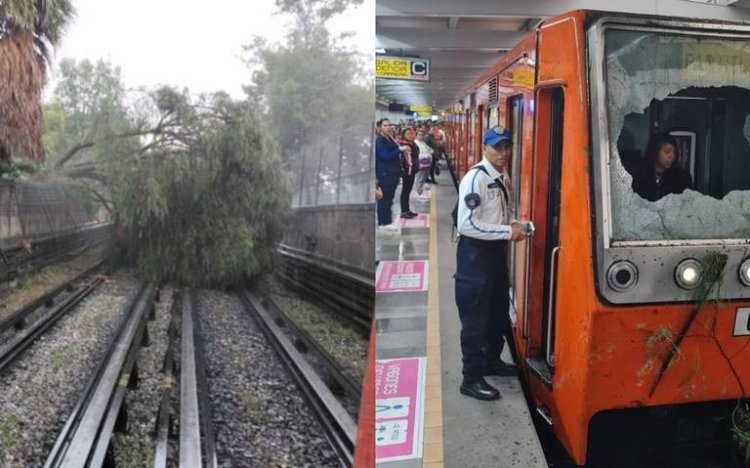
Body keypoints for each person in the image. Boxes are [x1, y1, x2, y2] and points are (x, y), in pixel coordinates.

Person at [454, 126, 529, 401]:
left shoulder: (502, 178)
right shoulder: (476, 179)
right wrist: (508, 232)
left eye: (507, 147)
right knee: (475, 320)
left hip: (495, 256)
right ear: (484, 148)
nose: (503, 153)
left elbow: (500, 216)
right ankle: (470, 378)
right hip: (475, 257)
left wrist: (515, 225)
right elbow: (467, 224)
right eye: (497, 147)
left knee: (498, 311)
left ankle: (491, 360)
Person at [631, 133, 693, 202]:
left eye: (674, 153)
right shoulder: (639, 175)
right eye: (667, 152)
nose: (672, 156)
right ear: (655, 152)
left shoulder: (682, 177)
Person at [376, 118, 410, 231]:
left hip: (393, 173)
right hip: (386, 174)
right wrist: (399, 150)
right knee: (384, 199)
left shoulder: (390, 138)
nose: (388, 127)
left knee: (389, 199)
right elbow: (385, 156)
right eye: (385, 125)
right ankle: (383, 223)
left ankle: (387, 221)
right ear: (380, 127)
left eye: (389, 125)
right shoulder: (380, 141)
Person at [398, 127, 419, 219]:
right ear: (404, 136)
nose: (410, 135)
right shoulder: (405, 145)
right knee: (405, 191)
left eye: (411, 133)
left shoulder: (412, 143)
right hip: (407, 171)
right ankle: (404, 211)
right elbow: (404, 160)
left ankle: (407, 210)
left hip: (412, 170)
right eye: (408, 134)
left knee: (408, 191)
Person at [414, 129, 434, 201]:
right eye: (419, 135)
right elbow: (417, 154)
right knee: (420, 178)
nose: (421, 136)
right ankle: (419, 193)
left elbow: (430, 150)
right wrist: (426, 155)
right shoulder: (415, 143)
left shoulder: (422, 142)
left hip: (427, 163)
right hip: (420, 163)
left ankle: (421, 190)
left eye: (422, 135)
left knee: (424, 177)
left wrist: (428, 154)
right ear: (416, 135)